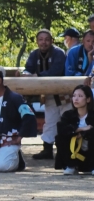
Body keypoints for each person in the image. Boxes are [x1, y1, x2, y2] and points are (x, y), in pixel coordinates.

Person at [23, 29, 68, 161]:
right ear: (37, 41)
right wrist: (25, 74)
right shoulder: (34, 54)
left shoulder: (59, 53)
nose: (44, 42)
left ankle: (65, 150)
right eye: (41, 39)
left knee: (66, 119)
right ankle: (47, 149)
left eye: (47, 39)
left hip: (64, 92)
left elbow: (56, 70)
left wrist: (36, 76)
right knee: (50, 121)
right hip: (48, 94)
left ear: (52, 41)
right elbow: (28, 68)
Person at [56, 85, 94, 174]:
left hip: (90, 153)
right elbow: (61, 129)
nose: (76, 99)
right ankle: (71, 165)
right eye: (74, 96)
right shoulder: (68, 115)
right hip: (75, 153)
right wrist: (79, 129)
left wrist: (83, 134)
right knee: (60, 137)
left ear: (88, 99)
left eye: (80, 96)